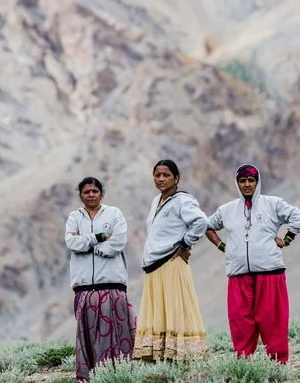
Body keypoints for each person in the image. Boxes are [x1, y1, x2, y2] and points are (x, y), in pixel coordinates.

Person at [205, 163, 300, 364]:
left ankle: (277, 364)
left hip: (270, 273)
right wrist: (221, 245)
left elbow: (298, 218)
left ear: (258, 182)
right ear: (237, 183)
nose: (247, 184)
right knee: (241, 323)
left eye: (251, 180)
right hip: (238, 275)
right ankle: (244, 364)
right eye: (242, 181)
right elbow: (206, 226)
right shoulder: (227, 210)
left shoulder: (273, 204)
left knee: (273, 321)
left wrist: (286, 240)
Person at [132, 159, 210, 362]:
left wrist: (185, 243)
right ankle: (161, 355)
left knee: (175, 308)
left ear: (176, 178)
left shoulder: (183, 200)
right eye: (157, 175)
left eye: (166, 175)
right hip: (155, 266)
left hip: (171, 263)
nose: (161, 179)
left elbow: (201, 222)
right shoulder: (155, 201)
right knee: (161, 310)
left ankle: (181, 356)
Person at [64, 177, 137, 383]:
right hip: (85, 288)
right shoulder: (74, 217)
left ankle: (119, 375)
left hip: (112, 284)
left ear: (101, 193)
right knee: (89, 336)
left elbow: (117, 243)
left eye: (95, 191)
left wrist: (87, 245)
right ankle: (90, 377)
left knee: (115, 333)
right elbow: (71, 242)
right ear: (80, 195)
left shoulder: (114, 214)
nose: (91, 194)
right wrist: (99, 237)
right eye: (86, 191)